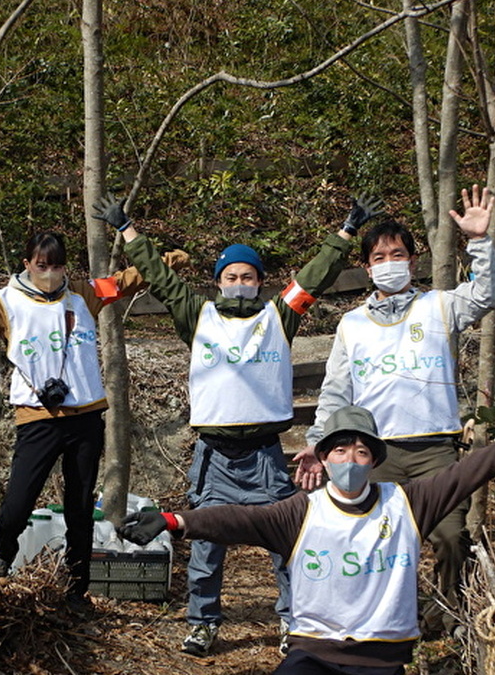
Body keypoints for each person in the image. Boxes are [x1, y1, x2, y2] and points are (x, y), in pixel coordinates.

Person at [93, 192, 383, 656]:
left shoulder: (279, 315)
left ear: (261, 281)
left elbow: (317, 275)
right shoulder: (198, 315)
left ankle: (293, 620)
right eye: (231, 277)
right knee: (206, 544)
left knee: (287, 541)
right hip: (214, 458)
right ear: (218, 282)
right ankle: (202, 623)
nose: (240, 283)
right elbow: (162, 279)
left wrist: (346, 232)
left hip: (266, 456)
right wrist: (128, 231)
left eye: (248, 276)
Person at [118, 388, 495, 675]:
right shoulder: (301, 512)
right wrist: (175, 521)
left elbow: (470, 472)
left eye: (361, 452)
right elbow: (237, 519)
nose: (350, 460)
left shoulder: (407, 503)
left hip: (383, 658)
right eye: (340, 451)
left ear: (375, 460)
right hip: (313, 655)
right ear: (324, 459)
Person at [0, 232, 186, 609]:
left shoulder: (84, 294)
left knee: (80, 509)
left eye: (57, 266)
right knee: (18, 503)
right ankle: (2, 558)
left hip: (86, 417)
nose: (49, 273)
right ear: (27, 264)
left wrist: (169, 260)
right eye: (41, 266)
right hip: (37, 420)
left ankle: (77, 588)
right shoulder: (5, 303)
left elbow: (126, 281)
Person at [293, 184, 495, 636]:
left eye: (398, 255)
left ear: (412, 261)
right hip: (375, 455)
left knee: (451, 537)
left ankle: (448, 618)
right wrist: (316, 444)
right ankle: (380, 617)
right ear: (367, 268)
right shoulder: (352, 324)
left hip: (436, 451)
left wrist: (480, 241)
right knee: (374, 542)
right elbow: (336, 392)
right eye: (379, 257)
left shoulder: (440, 306)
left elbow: (487, 295)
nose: (389, 263)